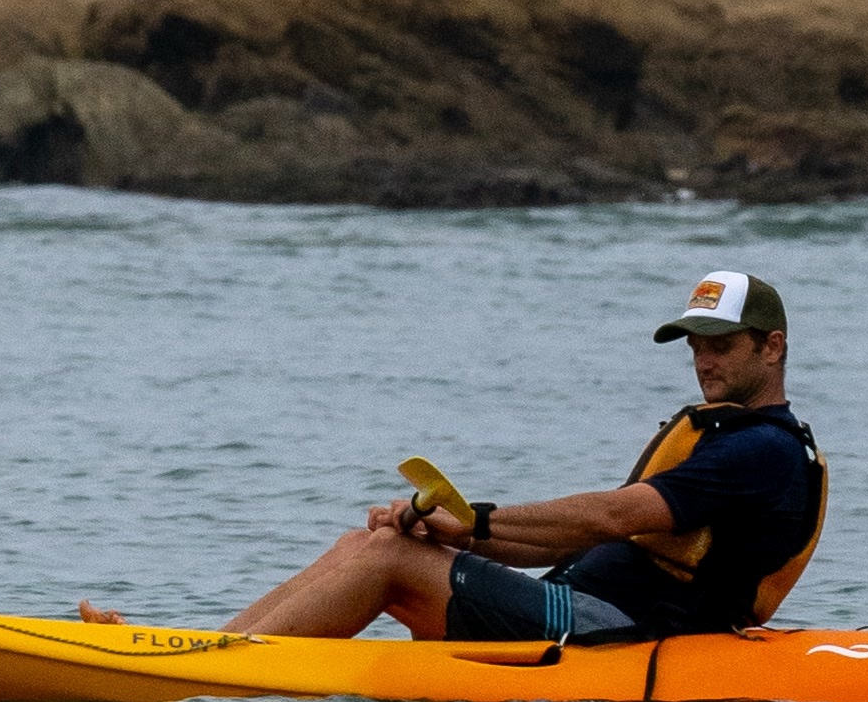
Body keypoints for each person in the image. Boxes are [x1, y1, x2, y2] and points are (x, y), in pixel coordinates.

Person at [87, 267, 827, 644]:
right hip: (587, 607)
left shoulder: (762, 452)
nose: (704, 363)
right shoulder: (725, 436)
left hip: (626, 634)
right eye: (697, 347)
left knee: (387, 561)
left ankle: (196, 673)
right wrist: (457, 529)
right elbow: (568, 538)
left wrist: (475, 522)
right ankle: (199, 648)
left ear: (773, 347)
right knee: (375, 539)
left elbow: (610, 515)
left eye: (721, 347)